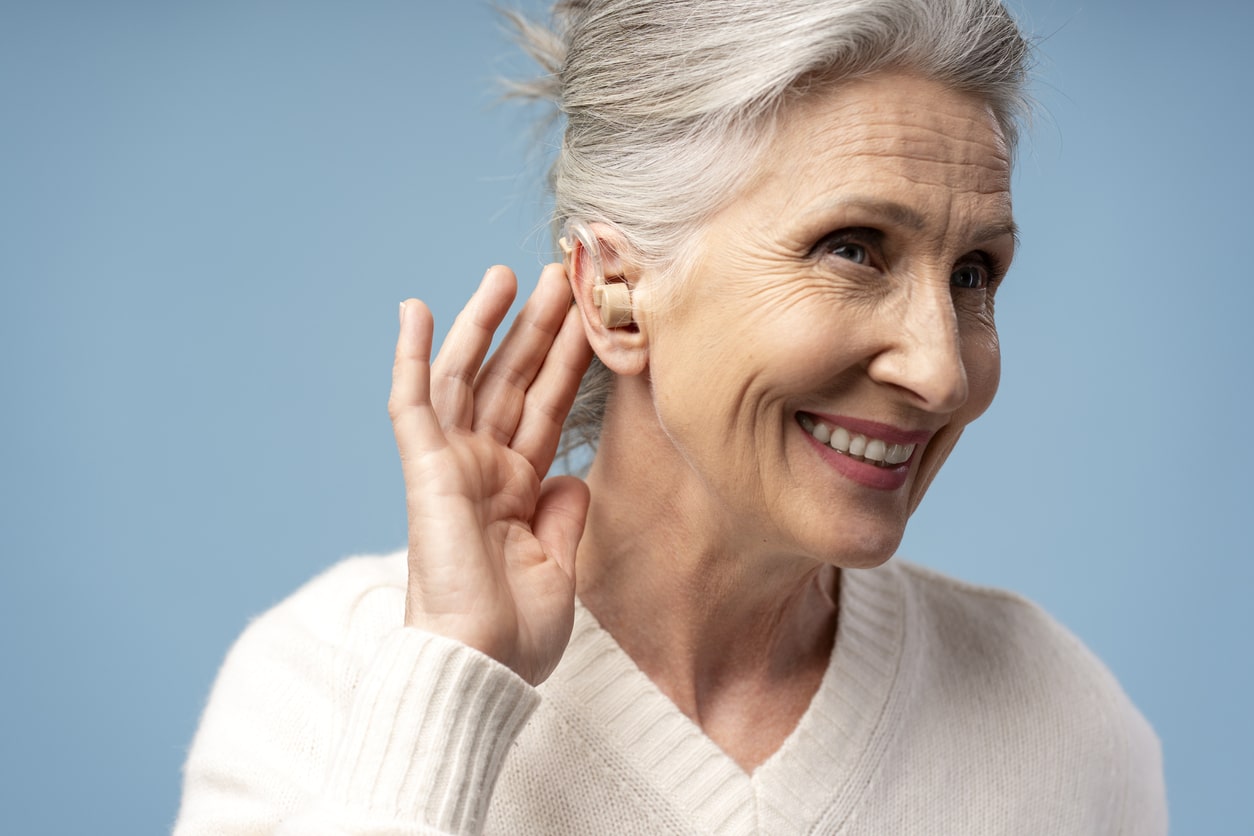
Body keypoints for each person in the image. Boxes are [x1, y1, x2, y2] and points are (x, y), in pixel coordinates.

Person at [175, 0, 1168, 832]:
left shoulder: (1060, 721)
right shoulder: (320, 687)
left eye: (972, 273)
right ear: (613, 291)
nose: (942, 368)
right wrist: (451, 678)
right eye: (853, 248)